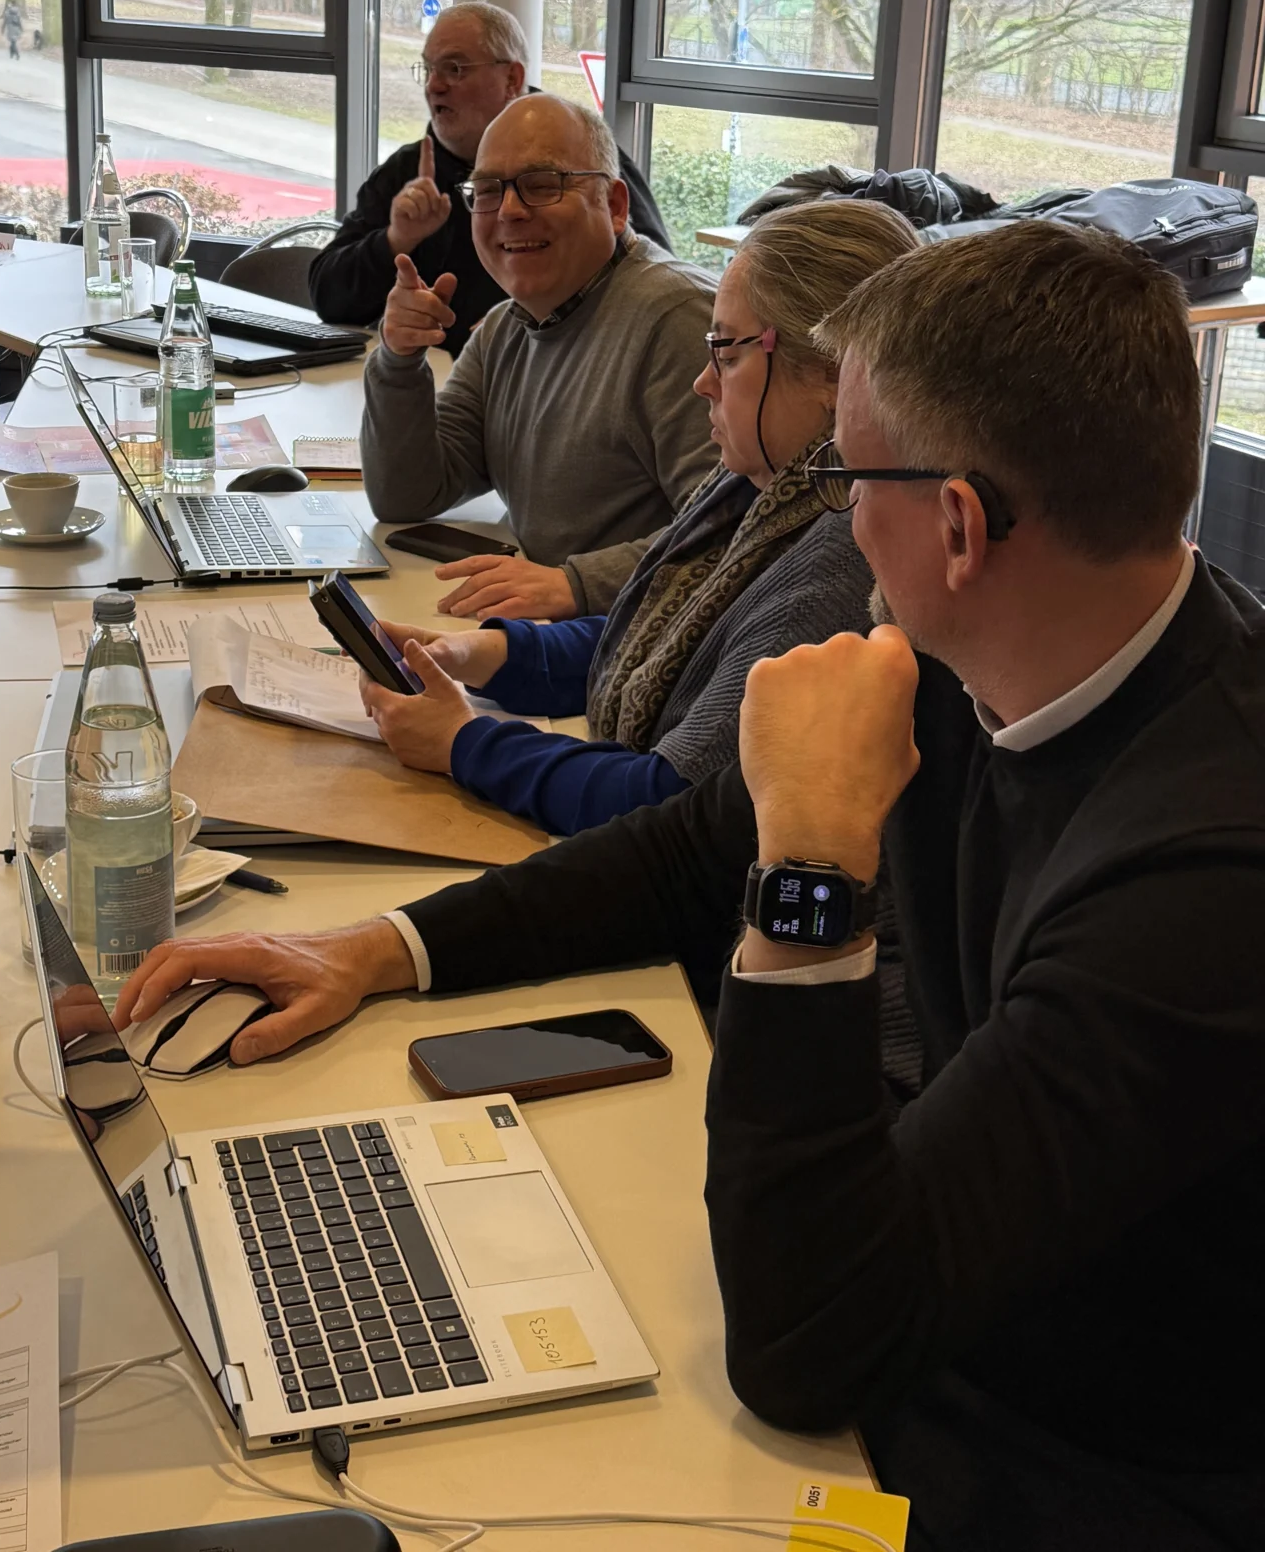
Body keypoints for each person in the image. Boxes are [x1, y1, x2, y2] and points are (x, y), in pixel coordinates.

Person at [116, 220, 1265, 1551]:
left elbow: (808, 1345)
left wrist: (812, 869)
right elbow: (680, 853)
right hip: (943, 1312)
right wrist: (378, 947)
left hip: (1082, 1460)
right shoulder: (992, 651)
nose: (841, 513)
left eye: (851, 474)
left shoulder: (1205, 874)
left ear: (957, 525)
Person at [359, 201, 916, 836]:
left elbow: (672, 801)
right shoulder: (768, 483)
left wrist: (462, 742)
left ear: (832, 374)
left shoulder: (843, 557)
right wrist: (486, 653)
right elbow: (665, 637)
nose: (703, 382)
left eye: (727, 354)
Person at [360, 92, 718, 616]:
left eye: (543, 185)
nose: (509, 210)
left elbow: (732, 533)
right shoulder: (506, 327)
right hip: (547, 632)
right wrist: (398, 360)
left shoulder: (679, 322)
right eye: (488, 190)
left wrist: (576, 586)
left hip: (631, 645)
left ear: (615, 206)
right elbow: (406, 495)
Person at [308, 1, 670, 356]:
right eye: (429, 69)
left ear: (512, 79)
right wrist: (396, 239)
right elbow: (328, 299)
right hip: (427, 379)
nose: (434, 86)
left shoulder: (582, 156)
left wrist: (537, 322)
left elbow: (650, 283)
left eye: (455, 69)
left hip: (552, 377)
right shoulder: (409, 173)